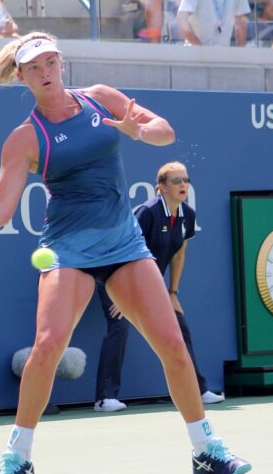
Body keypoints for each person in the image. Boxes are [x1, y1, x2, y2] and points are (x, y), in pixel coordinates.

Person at [0, 32, 252, 474]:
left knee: (171, 342)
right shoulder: (24, 139)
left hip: (124, 244)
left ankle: (205, 450)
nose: (45, 72)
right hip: (67, 250)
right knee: (49, 345)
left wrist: (138, 131)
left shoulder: (101, 99)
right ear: (22, 76)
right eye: (34, 67)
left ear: (62, 63)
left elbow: (166, 133)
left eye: (51, 62)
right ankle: (18, 457)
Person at [94, 162, 225, 412]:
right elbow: (124, 252)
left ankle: (198, 390)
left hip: (150, 284)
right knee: (119, 326)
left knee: (180, 326)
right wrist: (123, 296)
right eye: (176, 181)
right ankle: (104, 398)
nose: (183, 184)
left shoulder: (187, 214)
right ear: (161, 188)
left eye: (186, 179)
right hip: (114, 274)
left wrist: (172, 292)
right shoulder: (147, 212)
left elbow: (179, 253)